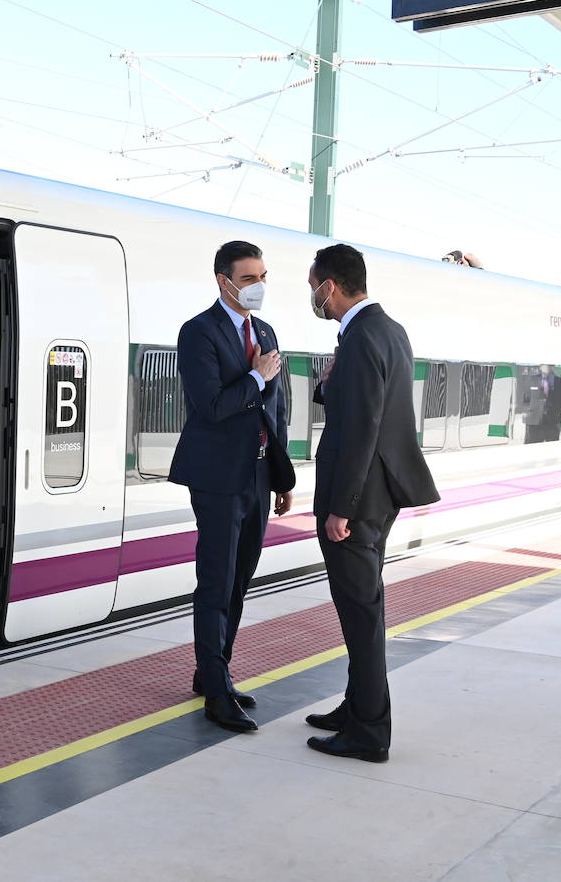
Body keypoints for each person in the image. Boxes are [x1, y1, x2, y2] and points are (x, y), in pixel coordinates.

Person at [305, 243, 440, 761]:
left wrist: (343, 506)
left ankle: (368, 731)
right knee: (364, 606)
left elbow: (362, 429)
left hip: (359, 498)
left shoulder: (361, 338)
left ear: (329, 287)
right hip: (383, 491)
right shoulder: (388, 329)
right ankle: (357, 704)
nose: (312, 296)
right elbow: (370, 405)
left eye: (312, 286)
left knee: (360, 611)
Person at [170, 240, 296, 733]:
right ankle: (217, 695)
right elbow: (211, 406)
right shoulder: (198, 332)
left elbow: (277, 410)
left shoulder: (263, 330)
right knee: (217, 582)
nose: (258, 286)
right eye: (249, 278)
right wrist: (256, 377)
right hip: (218, 478)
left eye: (263, 276)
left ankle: (212, 671)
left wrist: (283, 478)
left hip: (260, 475)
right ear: (224, 281)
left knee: (241, 580)